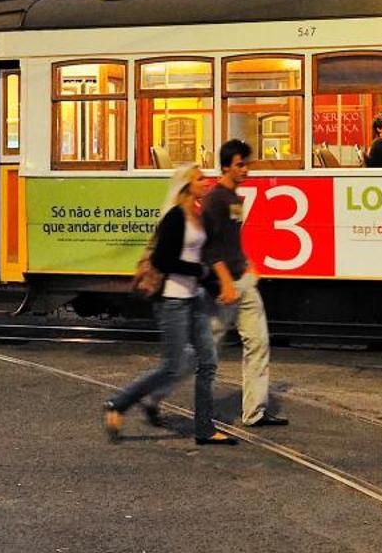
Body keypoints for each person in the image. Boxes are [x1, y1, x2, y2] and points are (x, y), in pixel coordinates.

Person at [104, 163, 239, 445]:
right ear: (186, 184)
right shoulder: (175, 217)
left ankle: (204, 429)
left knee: (208, 362)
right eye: (200, 178)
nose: (206, 181)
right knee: (173, 366)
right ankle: (119, 403)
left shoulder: (197, 216)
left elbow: (199, 258)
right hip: (172, 302)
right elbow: (162, 261)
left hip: (194, 299)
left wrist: (213, 284)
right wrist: (199, 273)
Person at [204, 139, 285, 427]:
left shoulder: (235, 199)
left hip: (242, 281)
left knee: (259, 343)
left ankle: (255, 412)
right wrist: (226, 281)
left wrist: (246, 261)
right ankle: (198, 410)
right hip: (224, 286)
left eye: (247, 164)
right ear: (226, 166)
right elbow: (209, 246)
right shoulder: (215, 199)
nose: (246, 169)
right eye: (240, 164)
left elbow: (230, 240)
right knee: (209, 349)